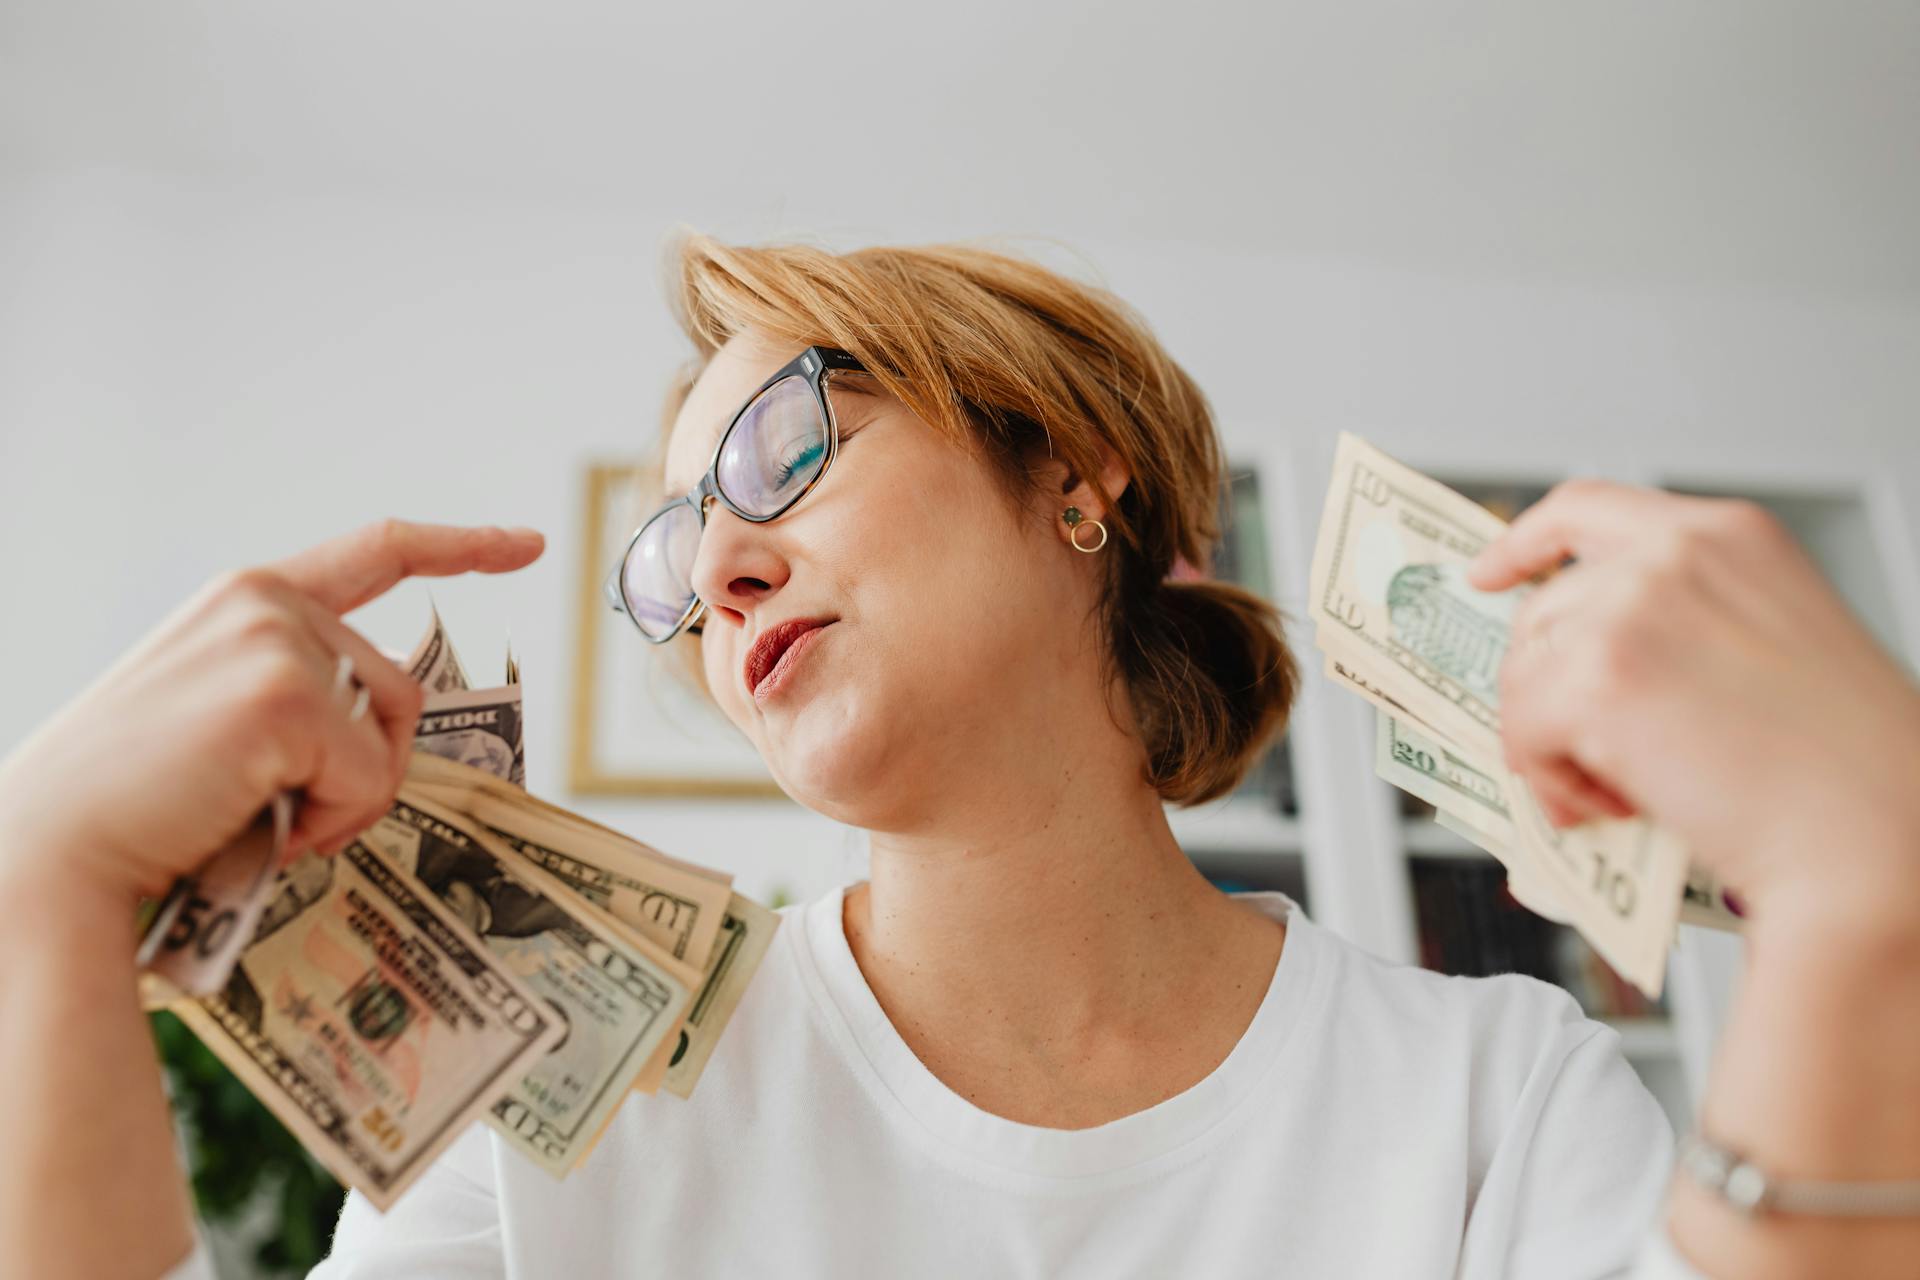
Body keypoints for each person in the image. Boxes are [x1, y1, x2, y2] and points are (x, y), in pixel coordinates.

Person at [0, 235, 1915, 1280]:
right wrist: (38, 918)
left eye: (782, 454)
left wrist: (1868, 918)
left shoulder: (1495, 1098)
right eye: (677, 557)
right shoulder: (554, 1085)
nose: (722, 564)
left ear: (1071, 474)